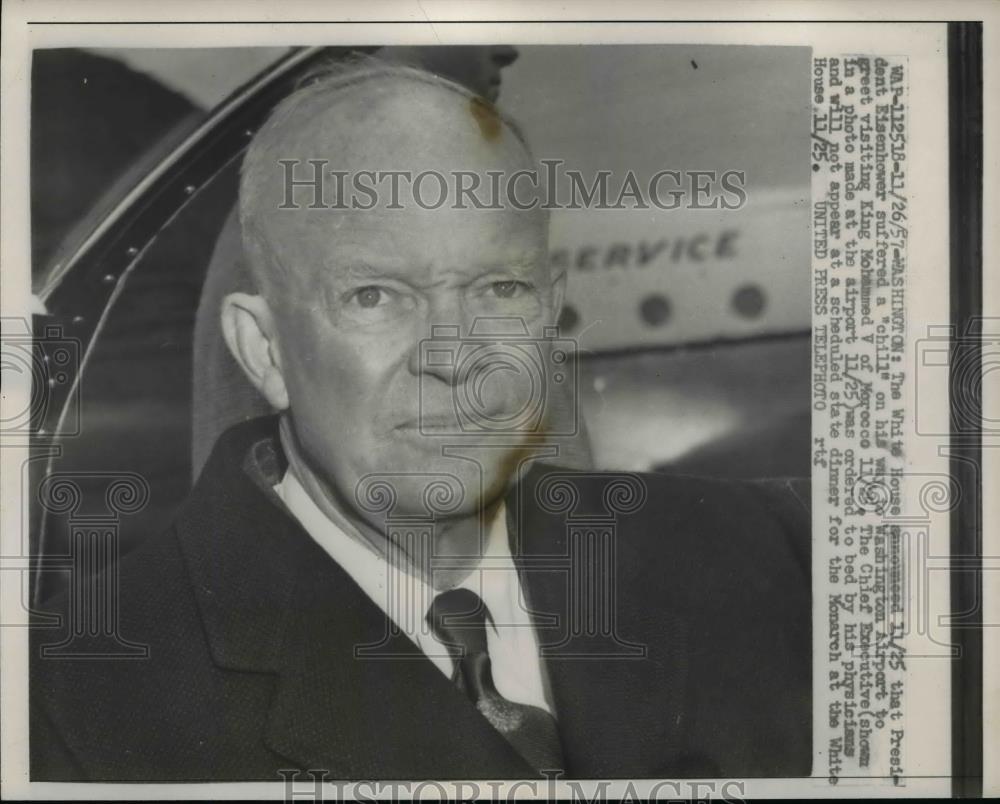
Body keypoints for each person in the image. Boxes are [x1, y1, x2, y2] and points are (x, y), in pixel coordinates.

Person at [31, 56, 811, 782]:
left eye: (500, 291)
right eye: (373, 297)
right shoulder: (72, 707)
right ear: (264, 349)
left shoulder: (769, 558)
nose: (455, 357)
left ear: (550, 310)